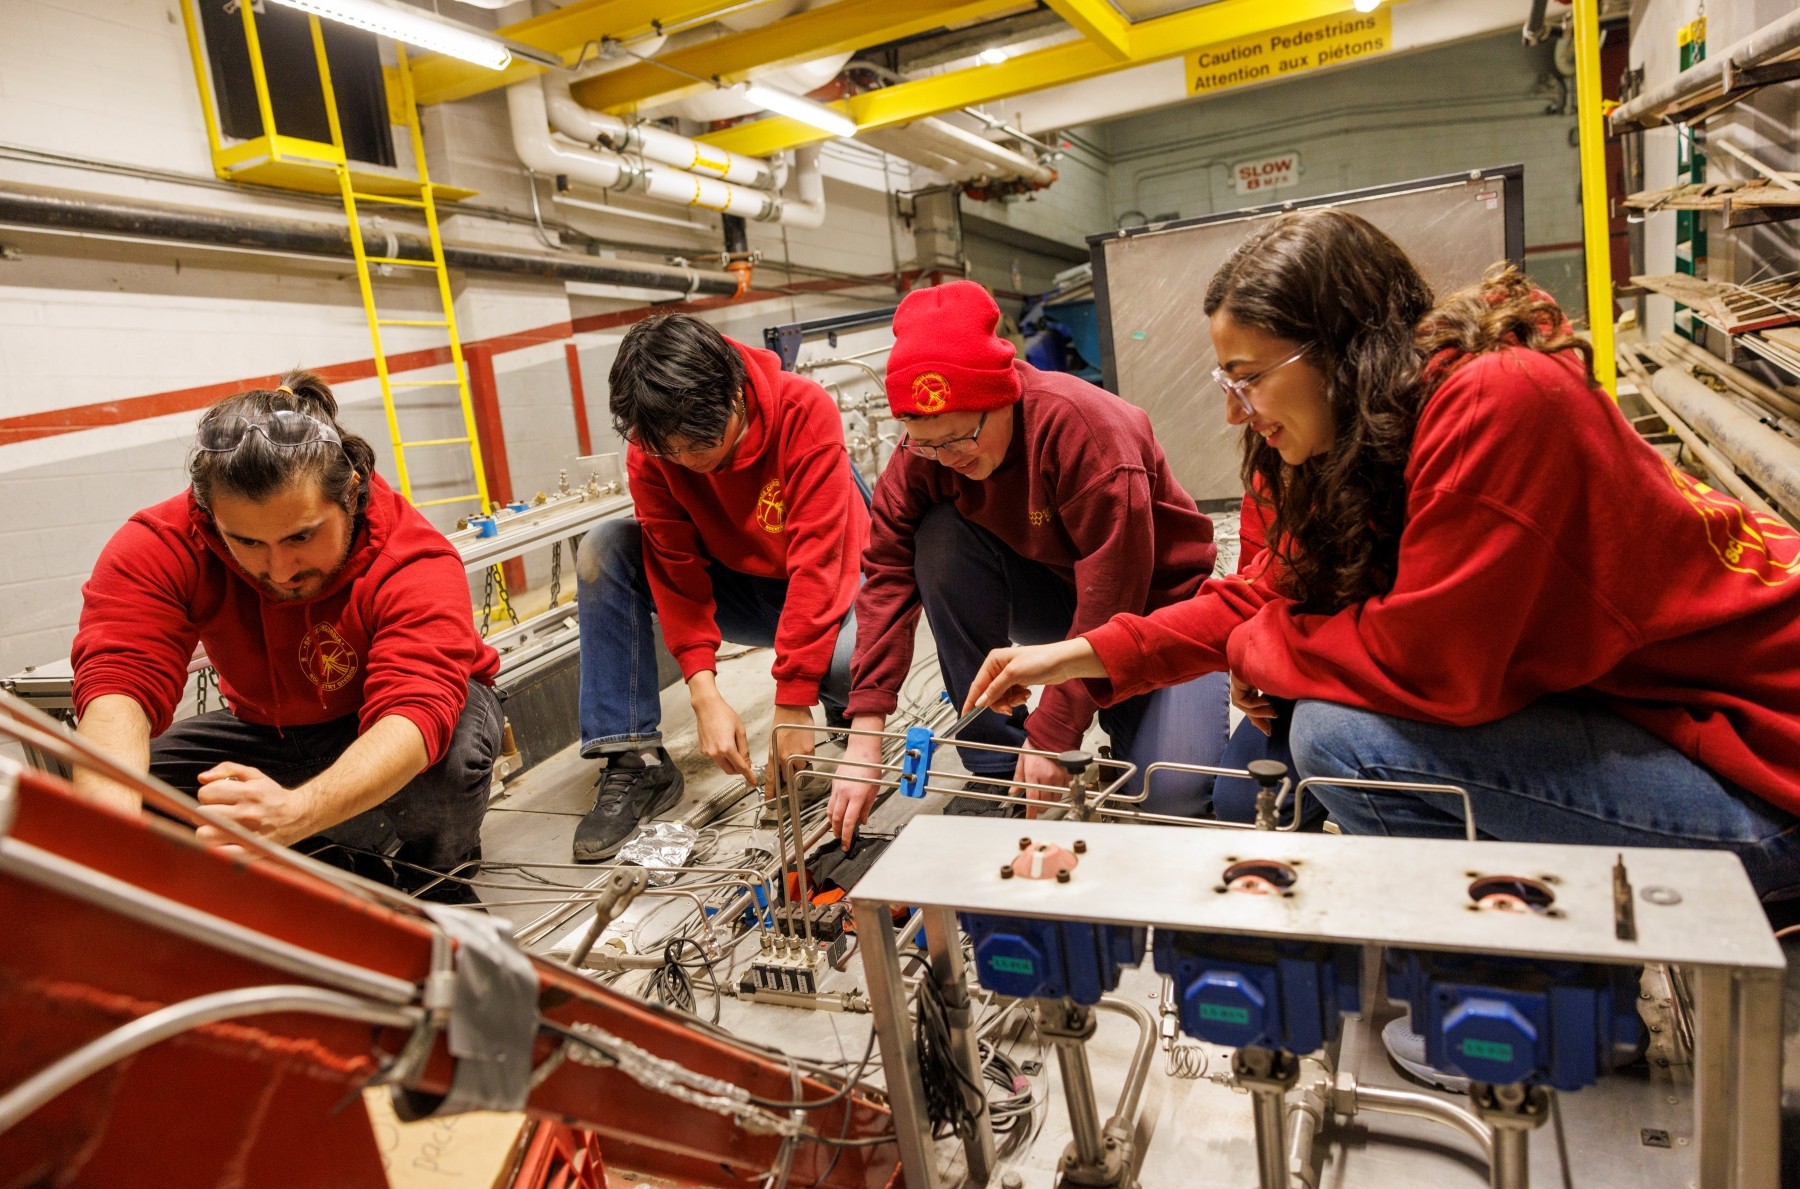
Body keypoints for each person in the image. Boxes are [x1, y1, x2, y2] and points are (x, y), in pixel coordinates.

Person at [966, 209, 1800, 899]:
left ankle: (1524, 980)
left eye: (1247, 378)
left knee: (1336, 739)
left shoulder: (1498, 403)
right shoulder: (1358, 442)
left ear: (1335, 348)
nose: (1234, 412)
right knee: (1297, 736)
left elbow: (1436, 670)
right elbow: (1262, 596)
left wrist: (1267, 653)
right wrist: (1076, 657)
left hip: (1767, 780)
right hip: (1676, 721)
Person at [71, 370, 503, 901]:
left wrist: (295, 813)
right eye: (247, 542)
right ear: (209, 514)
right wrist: (106, 841)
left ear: (350, 491)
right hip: (267, 729)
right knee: (150, 787)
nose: (278, 570)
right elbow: (118, 683)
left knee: (450, 754)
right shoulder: (158, 544)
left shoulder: (414, 557)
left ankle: (437, 879)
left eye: (301, 536)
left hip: (384, 719)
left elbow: (415, 710)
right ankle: (341, 870)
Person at [828, 280, 1228, 846]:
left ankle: (1097, 732)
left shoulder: (1086, 433)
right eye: (927, 444)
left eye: (962, 437)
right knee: (937, 538)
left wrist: (1054, 733)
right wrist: (864, 730)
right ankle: (999, 764)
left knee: (1174, 796)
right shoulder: (925, 455)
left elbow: (1112, 598)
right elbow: (888, 573)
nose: (948, 458)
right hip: (1050, 594)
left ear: (1004, 395)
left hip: (1155, 611)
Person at [573, 313, 869, 861]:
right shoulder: (654, 445)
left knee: (852, 665)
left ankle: (842, 715)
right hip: (737, 585)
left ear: (735, 395)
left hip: (825, 580)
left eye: (700, 444)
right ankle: (633, 761)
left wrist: (793, 700)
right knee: (604, 548)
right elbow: (674, 564)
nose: (688, 462)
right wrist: (703, 691)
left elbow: (820, 566)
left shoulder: (804, 410)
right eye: (672, 451)